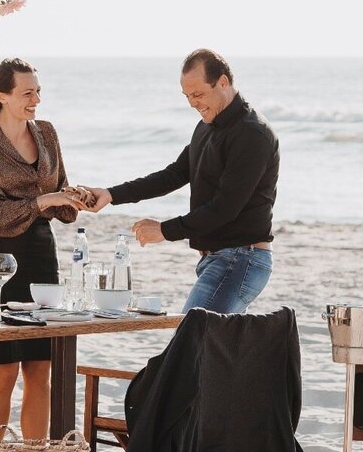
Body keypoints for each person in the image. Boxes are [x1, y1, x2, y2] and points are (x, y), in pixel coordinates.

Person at [83, 49, 278, 313]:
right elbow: (174, 174)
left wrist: (164, 231)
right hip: (218, 259)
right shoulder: (207, 126)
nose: (192, 103)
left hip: (241, 259)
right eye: (187, 96)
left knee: (190, 341)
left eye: (198, 94)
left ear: (223, 82)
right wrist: (111, 194)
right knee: (210, 348)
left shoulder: (251, 133)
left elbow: (225, 208)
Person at [0, 58, 88, 452]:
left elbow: (59, 188)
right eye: (27, 92)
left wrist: (73, 197)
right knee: (3, 371)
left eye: (38, 90)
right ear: (2, 96)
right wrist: (42, 201)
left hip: (41, 257)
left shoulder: (47, 134)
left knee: (39, 369)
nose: (37, 99)